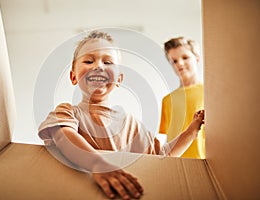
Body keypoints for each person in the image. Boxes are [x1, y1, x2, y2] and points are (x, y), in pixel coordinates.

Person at [38, 31, 205, 199]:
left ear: (119, 79)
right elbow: (63, 136)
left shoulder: (133, 125)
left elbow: (162, 157)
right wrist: (98, 164)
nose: (98, 66)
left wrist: (191, 132)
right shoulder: (68, 112)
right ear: (73, 77)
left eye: (108, 62)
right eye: (89, 61)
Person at [159, 36, 205, 159]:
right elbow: (169, 138)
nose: (180, 63)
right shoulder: (167, 100)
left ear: (197, 58)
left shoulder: (209, 93)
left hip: (203, 161)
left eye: (185, 57)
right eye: (174, 61)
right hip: (174, 164)